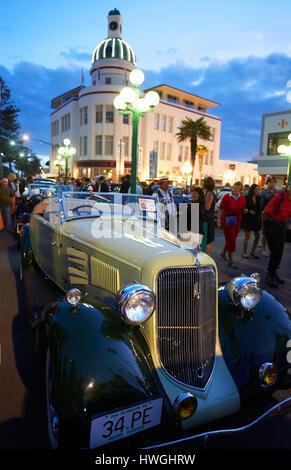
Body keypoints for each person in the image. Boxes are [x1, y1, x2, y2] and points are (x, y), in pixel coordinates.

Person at [262, 184, 291, 287]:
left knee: (280, 252)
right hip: (272, 226)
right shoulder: (280, 196)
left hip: (282, 227)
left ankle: (274, 273)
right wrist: (264, 229)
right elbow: (265, 212)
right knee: (275, 251)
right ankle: (269, 275)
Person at [218, 181, 246, 269]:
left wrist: (245, 211)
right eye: (235, 187)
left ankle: (223, 252)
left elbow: (243, 208)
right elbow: (220, 208)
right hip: (228, 220)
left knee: (232, 238)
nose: (236, 190)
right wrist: (218, 219)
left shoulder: (242, 198)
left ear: (241, 190)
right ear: (232, 187)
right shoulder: (227, 197)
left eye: (238, 188)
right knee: (232, 239)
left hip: (237, 220)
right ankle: (231, 260)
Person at [260, 176, 279, 256]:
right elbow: (260, 205)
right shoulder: (263, 192)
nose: (272, 184)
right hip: (265, 214)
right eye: (270, 182)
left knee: (273, 233)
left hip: (274, 215)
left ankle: (269, 248)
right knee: (265, 233)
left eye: (273, 182)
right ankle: (264, 249)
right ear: (267, 183)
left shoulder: (278, 192)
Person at [242, 184, 261, 259]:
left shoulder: (259, 198)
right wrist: (249, 211)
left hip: (255, 218)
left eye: (258, 189)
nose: (257, 191)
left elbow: (259, 208)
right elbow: (244, 208)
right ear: (252, 190)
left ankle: (253, 251)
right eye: (256, 189)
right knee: (247, 236)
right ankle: (244, 252)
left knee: (258, 235)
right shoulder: (247, 197)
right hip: (248, 218)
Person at [187, 187, 207, 251]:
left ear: (200, 195)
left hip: (195, 233)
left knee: (194, 252)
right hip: (191, 232)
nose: (193, 195)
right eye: (192, 193)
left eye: (195, 194)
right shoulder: (192, 203)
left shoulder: (199, 205)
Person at [202, 176, 217, 255]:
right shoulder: (210, 192)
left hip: (207, 220)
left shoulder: (209, 193)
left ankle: (207, 258)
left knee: (207, 241)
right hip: (209, 219)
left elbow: (207, 207)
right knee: (207, 241)